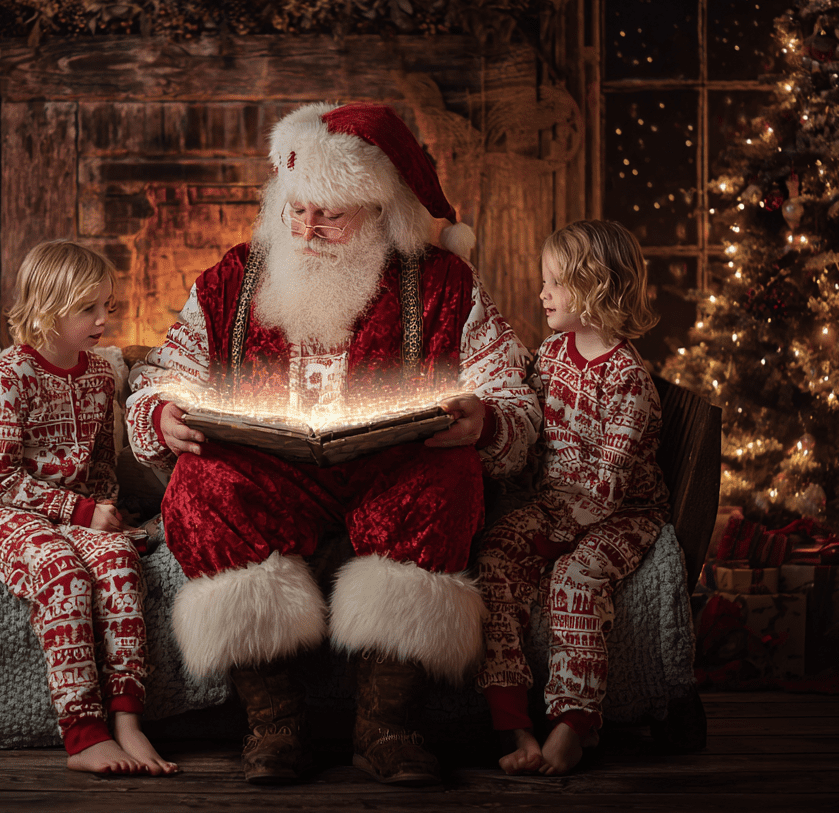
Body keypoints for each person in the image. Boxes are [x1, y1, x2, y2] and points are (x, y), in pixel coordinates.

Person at [126, 102, 541, 785]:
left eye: (330, 214)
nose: (307, 229)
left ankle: (387, 727)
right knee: (201, 488)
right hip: (271, 472)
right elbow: (160, 375)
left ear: (379, 212)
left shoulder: (444, 283)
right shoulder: (231, 280)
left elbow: (511, 394)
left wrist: (486, 421)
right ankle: (274, 725)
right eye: (296, 210)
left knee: (452, 478)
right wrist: (161, 415)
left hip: (393, 470)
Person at [0, 240, 177, 776]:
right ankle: (83, 736)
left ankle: (127, 722)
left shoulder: (100, 377)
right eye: (88, 308)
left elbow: (99, 467)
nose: (104, 319)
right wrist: (79, 514)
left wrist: (104, 513)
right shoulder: (11, 377)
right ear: (48, 309)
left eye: (107, 306)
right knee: (63, 571)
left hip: (69, 508)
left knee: (119, 562)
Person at [475, 219, 669, 776]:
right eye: (545, 281)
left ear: (596, 287)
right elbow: (529, 418)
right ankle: (513, 721)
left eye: (555, 282)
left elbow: (608, 485)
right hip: (557, 502)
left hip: (622, 514)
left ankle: (574, 723)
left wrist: (554, 537)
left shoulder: (627, 380)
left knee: (573, 578)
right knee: (495, 557)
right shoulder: (553, 353)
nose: (542, 293)